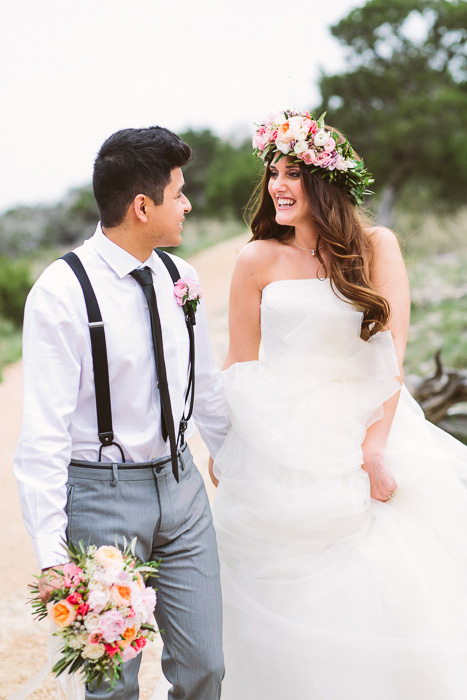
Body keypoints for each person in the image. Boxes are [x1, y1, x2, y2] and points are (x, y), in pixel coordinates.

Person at [211, 110, 467, 699]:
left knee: (384, 578)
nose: (277, 184)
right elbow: (239, 364)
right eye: (273, 172)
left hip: (366, 424)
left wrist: (374, 446)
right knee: (281, 589)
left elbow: (393, 354)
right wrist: (225, 444)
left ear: (325, 182)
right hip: (279, 441)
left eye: (293, 172)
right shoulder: (256, 260)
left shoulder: (378, 247)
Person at [14, 126, 229, 700]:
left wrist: (234, 462)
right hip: (101, 500)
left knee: (206, 664)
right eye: (178, 193)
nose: (186, 205)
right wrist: (55, 558)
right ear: (142, 206)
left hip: (182, 489)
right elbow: (43, 436)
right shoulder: (62, 292)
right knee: (112, 684)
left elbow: (205, 386)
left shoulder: (183, 279)